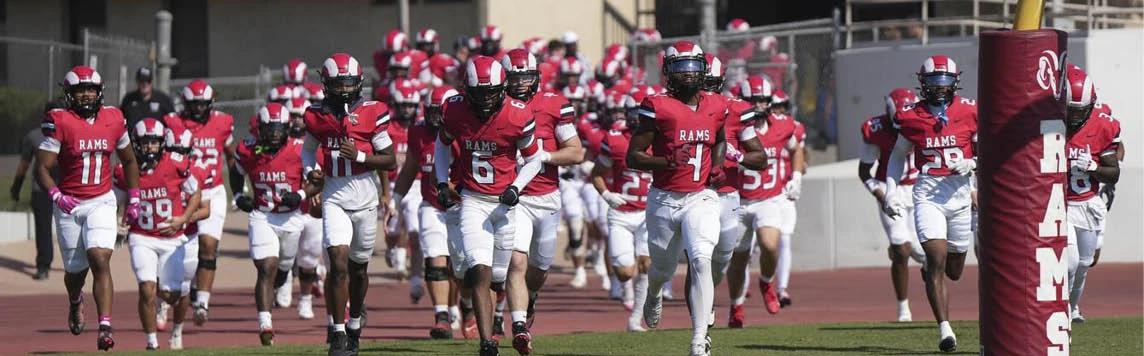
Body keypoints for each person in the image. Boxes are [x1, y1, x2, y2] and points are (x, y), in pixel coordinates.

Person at [433, 56, 547, 356]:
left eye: (491, 92)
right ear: (467, 90)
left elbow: (535, 158)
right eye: (479, 93)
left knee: (499, 276)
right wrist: (442, 182)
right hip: (473, 200)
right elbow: (441, 143)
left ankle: (505, 320)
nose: (485, 99)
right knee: (478, 272)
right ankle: (488, 344)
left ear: (503, 88)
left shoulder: (517, 114)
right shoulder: (455, 109)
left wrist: (515, 187)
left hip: (504, 205)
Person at [626, 41, 729, 356]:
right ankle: (654, 292)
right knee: (662, 268)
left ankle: (699, 339)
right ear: (668, 73)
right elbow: (634, 156)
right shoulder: (657, 106)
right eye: (680, 69)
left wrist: (719, 165)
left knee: (701, 259)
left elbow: (720, 139)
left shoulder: (717, 104)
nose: (687, 76)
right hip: (664, 199)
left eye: (692, 68)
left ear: (703, 69)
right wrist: (667, 161)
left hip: (702, 197)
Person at [37, 66, 140, 351]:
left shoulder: (114, 118)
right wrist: (57, 195)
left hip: (101, 200)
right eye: (80, 90)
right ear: (69, 94)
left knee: (100, 258)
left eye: (91, 89)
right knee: (75, 272)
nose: (86, 95)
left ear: (100, 92)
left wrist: (134, 197)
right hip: (69, 203)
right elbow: (42, 168)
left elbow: (129, 160)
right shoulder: (59, 121)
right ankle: (75, 300)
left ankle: (105, 325)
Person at [301, 53, 397, 356]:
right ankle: (339, 330)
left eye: (348, 84)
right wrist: (309, 172)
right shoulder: (316, 115)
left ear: (358, 84)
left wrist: (359, 156)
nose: (344, 90)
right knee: (337, 263)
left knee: (358, 270)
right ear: (327, 85)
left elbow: (390, 159)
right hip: (333, 194)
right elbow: (308, 151)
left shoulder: (372, 112)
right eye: (338, 85)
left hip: (365, 195)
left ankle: (355, 322)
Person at [884, 55, 978, 353]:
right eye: (934, 82)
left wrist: (972, 161)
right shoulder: (910, 115)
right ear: (923, 84)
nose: (940, 88)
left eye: (945, 81)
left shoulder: (971, 111)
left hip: (961, 197)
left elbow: (991, 147)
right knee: (936, 259)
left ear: (955, 83)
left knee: (955, 270)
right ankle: (945, 330)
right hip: (928, 195)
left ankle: (932, 275)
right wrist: (890, 190)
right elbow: (898, 156)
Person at [500, 49, 584, 351]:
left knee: (539, 269)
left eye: (526, 77)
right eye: (515, 77)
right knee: (516, 261)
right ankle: (519, 324)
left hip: (546, 196)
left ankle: (530, 299)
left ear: (536, 77)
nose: (521, 83)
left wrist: (542, 157)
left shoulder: (553, 105)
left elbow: (576, 151)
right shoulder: (495, 105)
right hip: (514, 198)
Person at [233, 103, 321, 345]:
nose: (274, 133)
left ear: (287, 128)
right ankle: (265, 323)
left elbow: (317, 180)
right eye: (270, 129)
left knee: (282, 268)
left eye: (279, 128)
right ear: (260, 129)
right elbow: (236, 170)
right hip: (262, 215)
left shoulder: (299, 149)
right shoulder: (249, 149)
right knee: (266, 267)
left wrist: (302, 195)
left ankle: (283, 279)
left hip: (291, 217)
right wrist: (239, 196)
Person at [115, 118, 201, 350]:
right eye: (146, 143)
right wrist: (117, 224)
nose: (150, 148)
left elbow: (196, 194)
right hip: (142, 236)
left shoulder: (176, 163)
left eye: (155, 143)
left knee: (171, 295)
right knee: (146, 288)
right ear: (136, 144)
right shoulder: (125, 170)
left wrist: (184, 218)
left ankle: (169, 309)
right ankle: (151, 342)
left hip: (172, 238)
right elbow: (115, 202)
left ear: (163, 144)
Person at [700, 59, 769, 329]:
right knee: (699, 255)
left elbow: (760, 159)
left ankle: (708, 297)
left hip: (727, 194)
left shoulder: (737, 110)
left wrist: (736, 154)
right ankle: (701, 308)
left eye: (705, 83)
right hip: (690, 193)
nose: (699, 89)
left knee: (720, 260)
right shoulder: (673, 108)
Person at [163, 79, 237, 327]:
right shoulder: (173, 122)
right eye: (193, 104)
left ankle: (202, 301)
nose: (197, 109)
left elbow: (231, 157)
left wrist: (238, 189)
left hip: (212, 190)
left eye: (202, 104)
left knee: (208, 245)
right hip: (181, 190)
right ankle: (175, 293)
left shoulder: (222, 122)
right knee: (177, 248)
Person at [393, 85, 460, 339]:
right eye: (431, 111)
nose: (434, 117)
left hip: (463, 205)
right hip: (431, 204)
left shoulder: (465, 130)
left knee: (461, 267)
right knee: (435, 260)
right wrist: (394, 201)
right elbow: (410, 168)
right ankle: (441, 315)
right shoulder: (419, 130)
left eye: (439, 111)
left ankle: (459, 307)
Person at [858, 88, 925, 322]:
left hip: (919, 188)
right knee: (902, 248)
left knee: (926, 251)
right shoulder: (876, 130)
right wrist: (879, 192)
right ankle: (903, 308)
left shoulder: (925, 121)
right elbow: (864, 172)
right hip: (891, 187)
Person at [1062, 65, 1121, 324]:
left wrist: (1094, 167)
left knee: (1085, 263)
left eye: (1079, 111)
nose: (1073, 117)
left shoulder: (1103, 124)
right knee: (1071, 262)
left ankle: (1072, 308)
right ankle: (1057, 312)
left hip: (1086, 202)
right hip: (1058, 205)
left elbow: (1114, 171)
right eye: (1069, 110)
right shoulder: (1046, 122)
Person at [592, 91, 653, 332]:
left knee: (647, 265)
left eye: (642, 112)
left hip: (648, 212)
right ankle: (626, 288)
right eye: (634, 112)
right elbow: (597, 172)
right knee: (625, 271)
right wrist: (606, 194)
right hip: (621, 213)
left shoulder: (660, 139)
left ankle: (635, 319)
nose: (638, 117)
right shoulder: (615, 138)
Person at [768, 89, 806, 307]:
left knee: (785, 240)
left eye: (782, 106)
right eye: (775, 107)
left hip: (784, 191)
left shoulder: (794, 127)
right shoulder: (757, 127)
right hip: (760, 193)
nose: (779, 111)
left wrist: (797, 177)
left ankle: (782, 288)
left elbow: (802, 154)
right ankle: (743, 290)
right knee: (751, 244)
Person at [12, 122, 60, 280]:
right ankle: (44, 265)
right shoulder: (34, 136)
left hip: (66, 188)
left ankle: (47, 266)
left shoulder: (70, 130)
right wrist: (17, 187)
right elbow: (24, 163)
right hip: (43, 189)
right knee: (44, 228)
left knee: (50, 228)